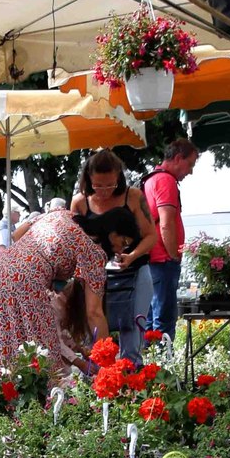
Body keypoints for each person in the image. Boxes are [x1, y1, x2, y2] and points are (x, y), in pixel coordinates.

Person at [0, 206, 107, 371]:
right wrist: (107, 365)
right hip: (26, 281)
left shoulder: (60, 213)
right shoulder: (93, 251)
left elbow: (16, 235)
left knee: (2, 342)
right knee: (41, 354)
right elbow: (94, 313)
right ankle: (41, 395)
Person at [71, 150, 159, 362]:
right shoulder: (79, 203)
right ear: (88, 179)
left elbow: (150, 236)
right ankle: (100, 374)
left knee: (133, 329)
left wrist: (132, 255)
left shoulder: (134, 196)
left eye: (110, 184)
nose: (104, 191)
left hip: (135, 270)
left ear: (119, 177)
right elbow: (73, 241)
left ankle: (131, 375)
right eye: (97, 185)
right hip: (96, 276)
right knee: (93, 328)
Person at [144, 138, 198, 344]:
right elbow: (166, 223)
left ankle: (148, 369)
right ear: (177, 158)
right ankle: (163, 369)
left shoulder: (151, 179)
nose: (190, 171)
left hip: (152, 259)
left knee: (150, 320)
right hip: (162, 259)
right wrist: (174, 255)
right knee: (164, 321)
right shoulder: (166, 181)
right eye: (190, 164)